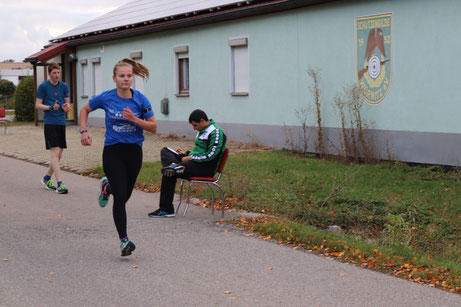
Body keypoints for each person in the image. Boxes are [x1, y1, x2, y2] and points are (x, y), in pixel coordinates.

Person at [79, 58, 157, 256]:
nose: (126, 79)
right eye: (122, 76)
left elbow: (153, 127)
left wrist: (135, 119)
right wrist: (83, 131)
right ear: (114, 78)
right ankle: (124, 241)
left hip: (134, 152)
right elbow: (85, 109)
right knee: (121, 198)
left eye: (129, 76)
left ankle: (107, 187)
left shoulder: (141, 99)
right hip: (113, 150)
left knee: (125, 194)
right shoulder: (106, 98)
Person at [148, 109, 226, 218]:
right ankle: (174, 166)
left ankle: (166, 209)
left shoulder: (216, 132)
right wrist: (186, 153)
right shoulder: (202, 130)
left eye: (195, 125)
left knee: (169, 172)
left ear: (202, 121)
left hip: (205, 168)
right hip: (194, 162)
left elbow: (211, 155)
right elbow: (199, 151)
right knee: (166, 151)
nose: (194, 128)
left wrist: (190, 157)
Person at [35, 62, 72, 194]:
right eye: (54, 73)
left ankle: (46, 178)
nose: (57, 75)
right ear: (49, 74)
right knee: (55, 152)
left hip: (61, 122)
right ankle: (60, 184)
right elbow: (38, 105)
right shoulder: (43, 86)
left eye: (58, 73)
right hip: (50, 122)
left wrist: (65, 107)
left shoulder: (64, 86)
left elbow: (67, 104)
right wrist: (50, 107)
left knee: (58, 155)